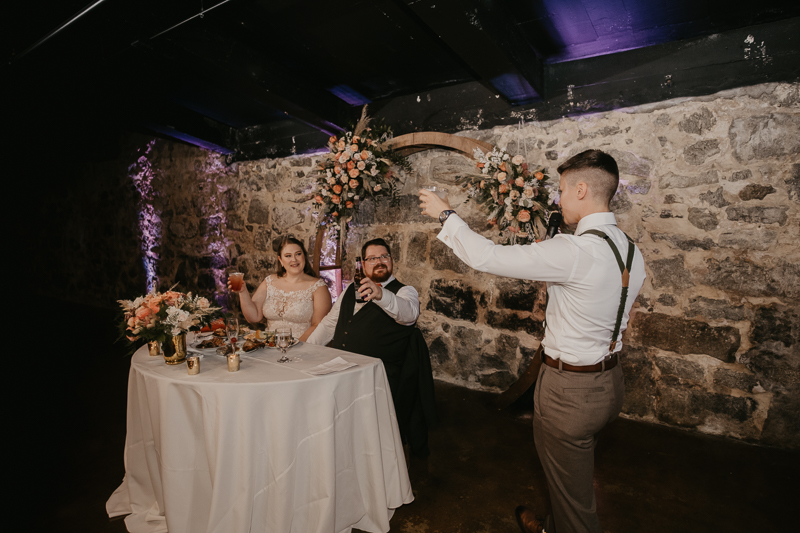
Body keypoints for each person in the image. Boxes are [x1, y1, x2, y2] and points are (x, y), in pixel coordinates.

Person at [419, 149, 646, 533]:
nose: (558, 199)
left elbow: (486, 256)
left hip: (569, 392)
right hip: (610, 384)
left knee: (577, 506)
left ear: (582, 189)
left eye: (560, 190)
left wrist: (447, 215)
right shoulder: (629, 249)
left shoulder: (573, 250)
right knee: (568, 482)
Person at [308, 238, 436, 457]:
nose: (380, 262)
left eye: (384, 256)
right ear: (363, 264)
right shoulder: (350, 291)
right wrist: (304, 350)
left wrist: (381, 295)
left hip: (379, 378)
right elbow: (330, 324)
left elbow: (408, 314)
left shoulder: (405, 292)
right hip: (342, 370)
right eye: (373, 258)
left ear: (392, 261)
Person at [229, 236, 332, 342]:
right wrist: (243, 292)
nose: (294, 259)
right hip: (269, 346)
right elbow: (253, 317)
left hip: (302, 347)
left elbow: (317, 326)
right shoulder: (269, 281)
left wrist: (296, 346)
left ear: (304, 256)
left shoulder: (318, 287)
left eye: (298, 254)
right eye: (288, 256)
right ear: (280, 260)